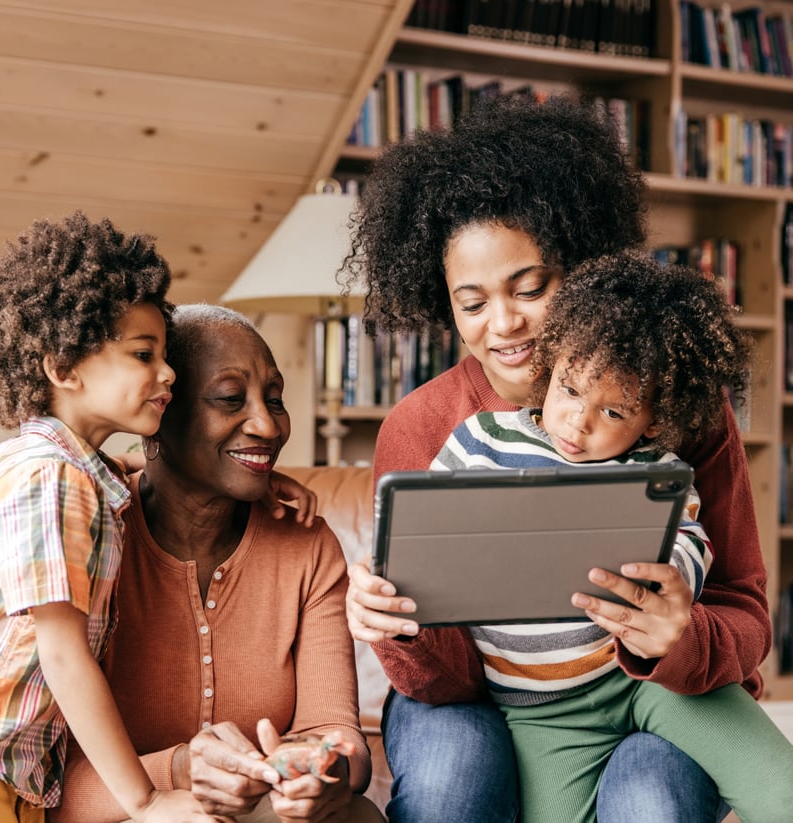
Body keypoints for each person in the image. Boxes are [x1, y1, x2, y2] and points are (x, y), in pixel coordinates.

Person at [342, 93, 771, 823]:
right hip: (476, 698)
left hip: (653, 689)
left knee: (653, 798)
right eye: (470, 302)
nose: (503, 325)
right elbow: (442, 683)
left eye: (531, 287)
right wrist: (398, 620)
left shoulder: (676, 404)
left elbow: (745, 607)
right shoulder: (424, 427)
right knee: (451, 780)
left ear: (580, 268)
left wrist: (684, 634)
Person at [431, 250, 793, 823]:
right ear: (550, 367)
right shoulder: (480, 442)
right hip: (541, 711)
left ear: (652, 419)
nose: (579, 421)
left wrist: (671, 582)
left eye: (614, 411)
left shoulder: (658, 471)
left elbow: (690, 541)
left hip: (656, 686)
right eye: (571, 391)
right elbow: (426, 530)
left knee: (782, 792)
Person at [0, 212, 215, 822]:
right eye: (143, 353)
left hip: (1, 768)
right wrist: (146, 799)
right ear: (62, 367)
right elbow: (61, 652)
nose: (169, 373)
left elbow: (127, 472)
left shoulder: (65, 466)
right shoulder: (52, 478)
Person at [51, 304, 385, 823]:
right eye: (231, 399)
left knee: (356, 816)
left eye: (275, 400)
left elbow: (339, 734)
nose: (268, 425)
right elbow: (44, 790)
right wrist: (179, 770)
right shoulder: (87, 528)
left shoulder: (306, 543)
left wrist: (321, 771)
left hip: (262, 812)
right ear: (161, 408)